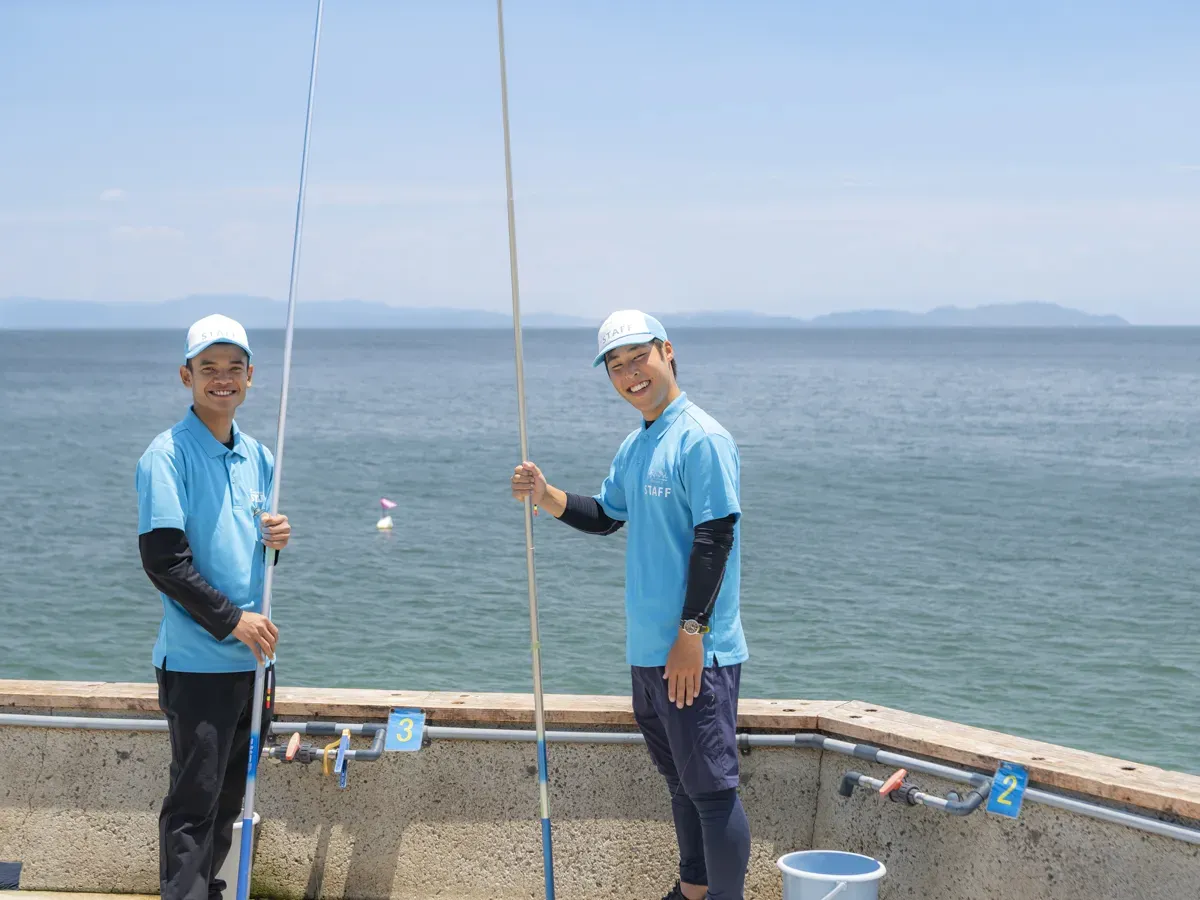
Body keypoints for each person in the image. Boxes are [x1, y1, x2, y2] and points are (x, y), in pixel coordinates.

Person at [510, 310, 751, 900]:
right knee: (682, 784)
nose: (629, 373)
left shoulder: (702, 438)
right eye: (615, 365)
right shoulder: (637, 443)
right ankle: (691, 891)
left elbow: (716, 538)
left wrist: (691, 634)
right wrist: (544, 495)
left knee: (712, 791)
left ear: (667, 351)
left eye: (638, 357)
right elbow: (606, 516)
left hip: (695, 651)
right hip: (648, 650)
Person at [135, 313, 291, 900]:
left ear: (250, 376)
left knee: (229, 800)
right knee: (193, 805)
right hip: (198, 663)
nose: (222, 378)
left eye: (233, 367)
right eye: (208, 368)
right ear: (187, 376)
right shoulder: (167, 455)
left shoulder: (259, 456)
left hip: (254, 661)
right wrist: (232, 621)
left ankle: (207, 890)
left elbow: (248, 555)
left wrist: (276, 541)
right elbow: (164, 562)